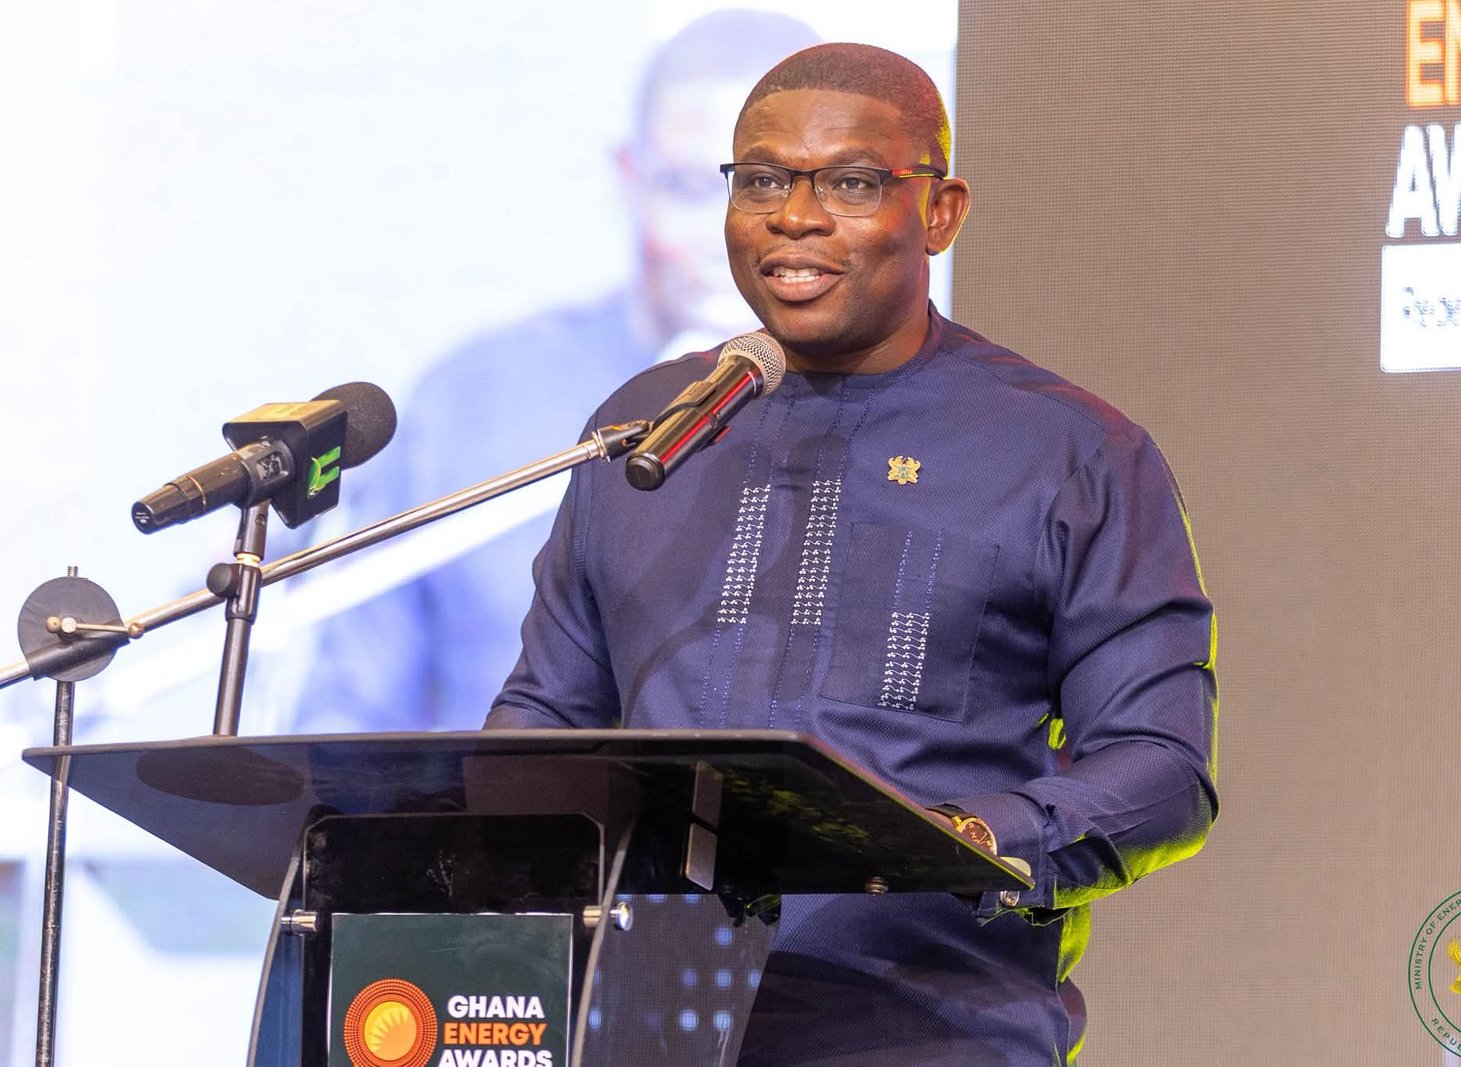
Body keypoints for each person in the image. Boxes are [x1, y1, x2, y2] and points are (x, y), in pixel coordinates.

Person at [489, 42, 1219, 1066]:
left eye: (851, 183)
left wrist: (972, 838)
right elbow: (547, 714)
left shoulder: (1069, 452)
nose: (794, 215)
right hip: (638, 1024)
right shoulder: (647, 428)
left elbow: (1161, 768)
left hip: (923, 1027)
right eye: (761, 180)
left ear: (940, 212)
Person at [289, 10, 820, 733]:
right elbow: (350, 710)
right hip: (491, 798)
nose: (729, 233)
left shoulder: (886, 416)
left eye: (770, 188)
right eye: (690, 189)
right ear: (631, 182)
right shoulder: (475, 398)